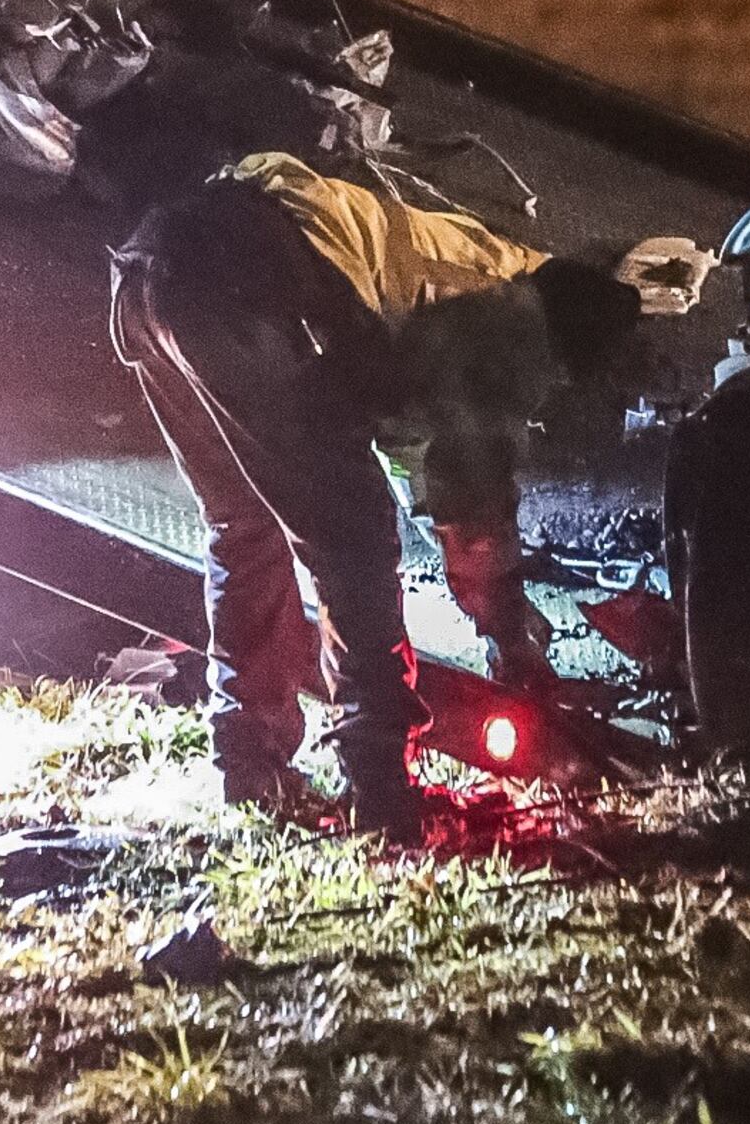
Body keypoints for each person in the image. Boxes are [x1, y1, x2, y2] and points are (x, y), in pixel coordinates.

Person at [106, 149, 647, 840]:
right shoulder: (507, 319)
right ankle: (382, 790)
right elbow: (466, 482)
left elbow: (405, 431)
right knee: (352, 537)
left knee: (245, 525)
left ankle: (250, 764)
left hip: (153, 272)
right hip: (240, 284)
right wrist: (508, 630)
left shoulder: (481, 271)